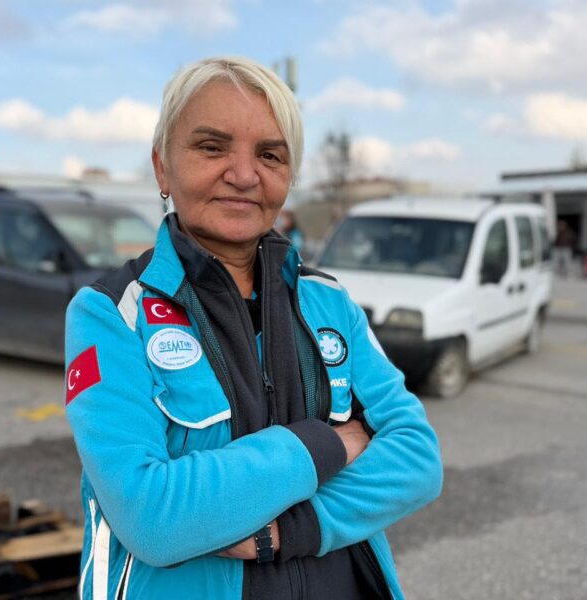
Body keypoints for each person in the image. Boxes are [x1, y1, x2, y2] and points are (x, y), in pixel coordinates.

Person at [64, 57, 442, 600]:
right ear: (162, 168)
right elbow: (151, 516)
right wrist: (327, 443)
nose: (244, 175)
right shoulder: (110, 314)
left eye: (270, 155)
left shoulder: (329, 302)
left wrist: (291, 530)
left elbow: (418, 459)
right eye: (212, 147)